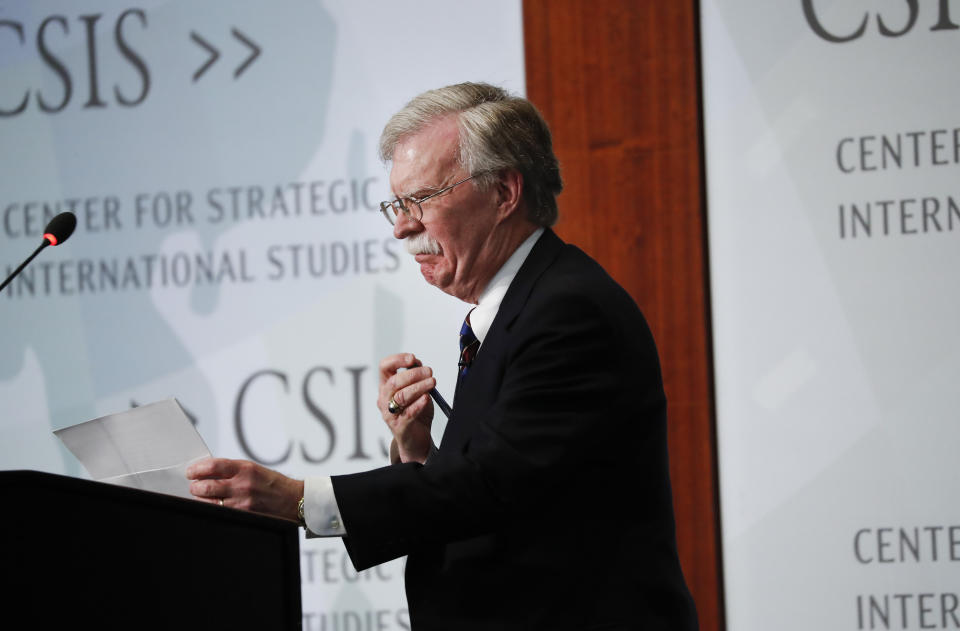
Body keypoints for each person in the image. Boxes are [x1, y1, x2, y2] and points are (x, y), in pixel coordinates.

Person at [187, 82, 698, 630]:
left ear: (504, 192)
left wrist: (298, 499)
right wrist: (418, 451)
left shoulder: (568, 311)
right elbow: (514, 496)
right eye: (396, 205)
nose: (403, 226)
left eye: (421, 200)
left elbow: (489, 485)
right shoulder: (518, 307)